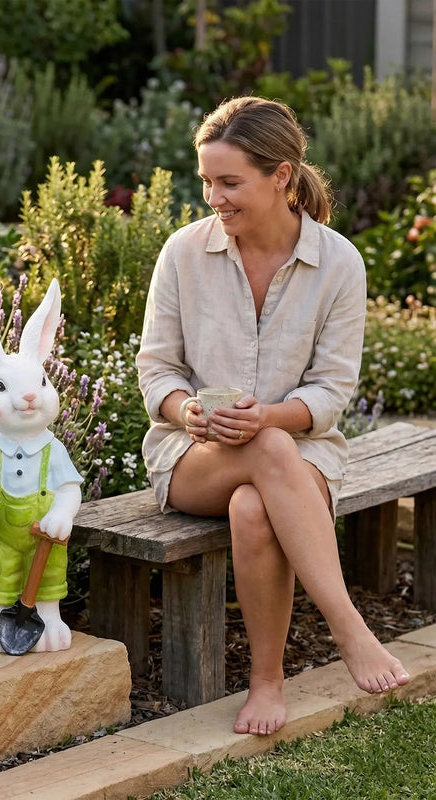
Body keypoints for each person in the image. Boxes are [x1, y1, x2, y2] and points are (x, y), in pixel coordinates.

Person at [136, 96, 410, 736]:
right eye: (206, 181)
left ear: (281, 176)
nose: (213, 197)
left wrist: (269, 418)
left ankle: (266, 683)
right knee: (264, 453)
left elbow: (331, 393)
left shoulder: (338, 263)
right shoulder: (183, 253)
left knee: (256, 500)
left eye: (229, 182)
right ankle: (350, 631)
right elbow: (156, 372)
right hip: (191, 459)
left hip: (303, 456)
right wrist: (191, 411)